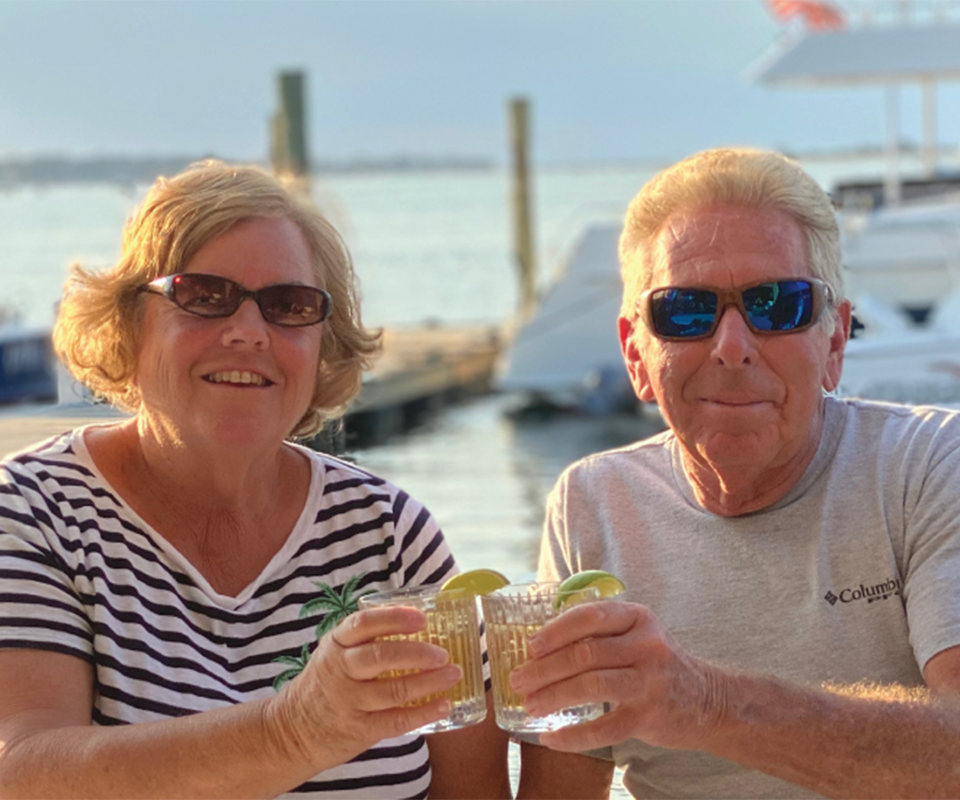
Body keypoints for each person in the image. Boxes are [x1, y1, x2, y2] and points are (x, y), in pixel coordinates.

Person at [0, 160, 509, 799]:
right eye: (203, 296)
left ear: (324, 345)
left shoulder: (389, 533)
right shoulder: (31, 514)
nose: (248, 332)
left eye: (289, 306)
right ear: (130, 324)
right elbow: (23, 773)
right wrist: (297, 730)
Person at [513, 148, 960, 799]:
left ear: (835, 343)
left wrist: (703, 706)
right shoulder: (592, 502)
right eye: (685, 311)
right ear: (636, 354)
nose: (731, 346)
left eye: (776, 305)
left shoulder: (929, 463)